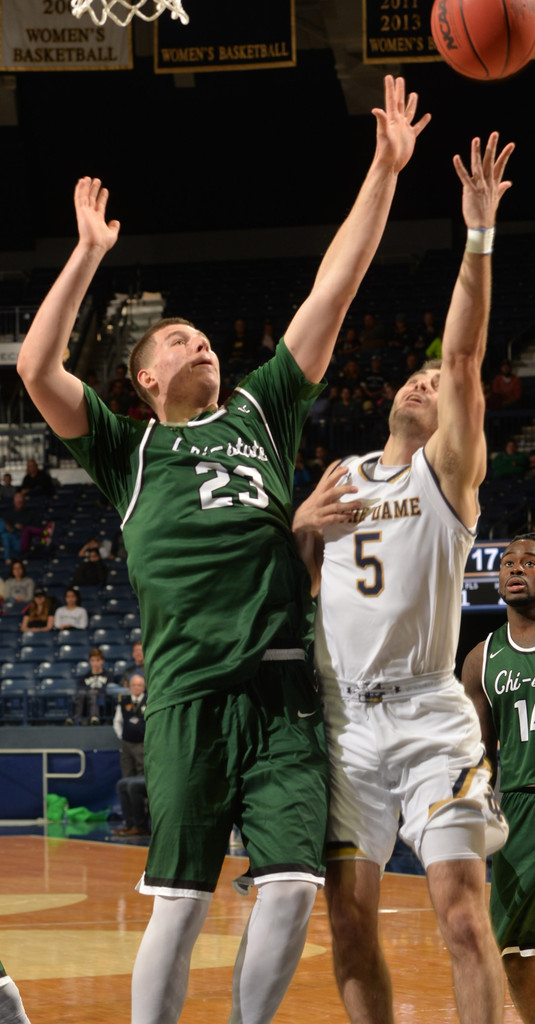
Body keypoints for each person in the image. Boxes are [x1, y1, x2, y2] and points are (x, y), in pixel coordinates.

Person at [17, 75, 430, 1024]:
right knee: (180, 898)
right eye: (177, 339)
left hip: (283, 687)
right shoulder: (127, 450)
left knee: (289, 888)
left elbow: (335, 287)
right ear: (144, 378)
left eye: (203, 335)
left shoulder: (261, 409)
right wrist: (86, 255)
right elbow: (37, 368)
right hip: (189, 692)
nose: (199, 342)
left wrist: (383, 169)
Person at [293, 129, 514, 1024]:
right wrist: (300, 528)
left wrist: (477, 233)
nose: (424, 382)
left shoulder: (448, 474)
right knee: (348, 925)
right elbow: (298, 576)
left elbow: (460, 355)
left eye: (434, 382)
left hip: (426, 715)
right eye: (413, 378)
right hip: (344, 722)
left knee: (460, 916)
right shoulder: (339, 474)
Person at [462, 534, 535, 1024]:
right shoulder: (481, 659)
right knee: (511, 946)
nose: (515, 569)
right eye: (508, 562)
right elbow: (480, 754)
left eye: (529, 562)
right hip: (518, 811)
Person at [113, 673, 150, 836]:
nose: (136, 688)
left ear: (144, 687)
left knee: (139, 782)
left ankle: (142, 822)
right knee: (125, 780)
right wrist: (122, 736)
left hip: (142, 744)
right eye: (134, 685)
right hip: (127, 744)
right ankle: (129, 823)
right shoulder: (124, 702)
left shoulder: (149, 700)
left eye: (139, 685)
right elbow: (117, 722)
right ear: (129, 686)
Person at [67, 647, 115, 725]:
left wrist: (97, 691)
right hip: (86, 701)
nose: (95, 663)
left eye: (98, 660)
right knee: (82, 693)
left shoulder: (109, 676)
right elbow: (80, 689)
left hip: (103, 701)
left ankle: (94, 718)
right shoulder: (84, 677)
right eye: (93, 660)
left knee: (92, 694)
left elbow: (110, 689)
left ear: (102, 661)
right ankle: (76, 719)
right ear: (90, 661)